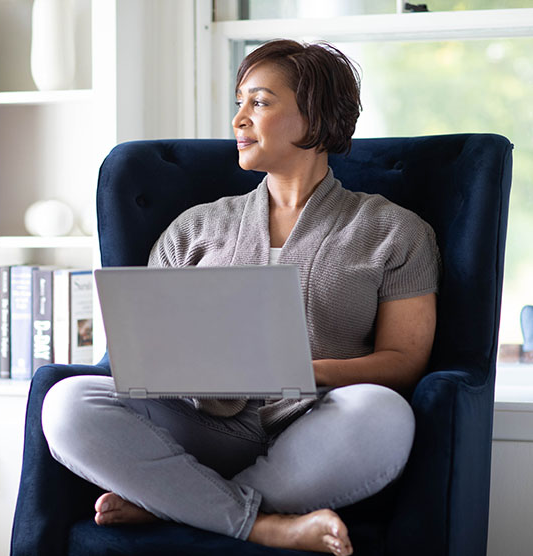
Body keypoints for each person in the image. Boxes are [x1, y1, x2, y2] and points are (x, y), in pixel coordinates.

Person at [42, 39, 440, 556]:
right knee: (68, 403)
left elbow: (404, 363)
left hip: (313, 429)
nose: (239, 120)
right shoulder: (195, 228)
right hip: (197, 426)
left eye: (260, 102)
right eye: (239, 103)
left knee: (384, 415)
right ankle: (260, 525)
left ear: (313, 116)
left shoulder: (395, 231)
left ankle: (174, 503)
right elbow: (144, 348)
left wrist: (303, 370)